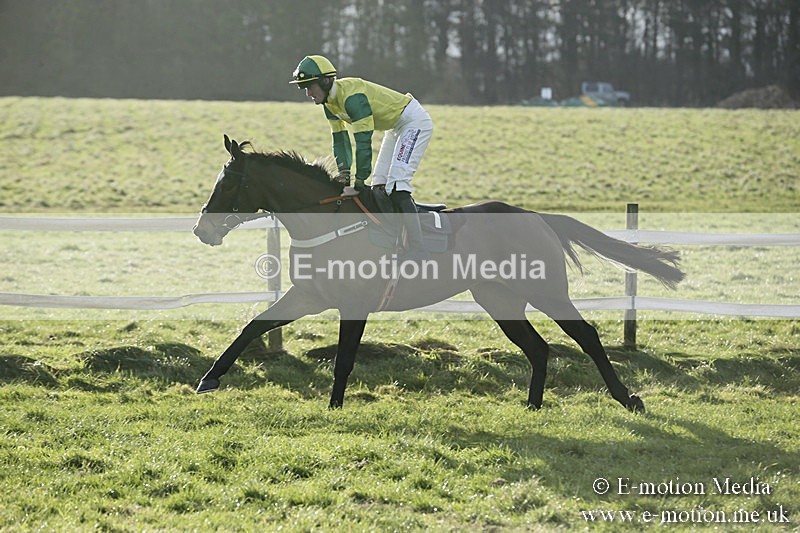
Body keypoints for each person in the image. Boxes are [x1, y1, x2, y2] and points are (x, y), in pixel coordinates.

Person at [290, 54, 433, 261]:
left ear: (325, 81)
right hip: (394, 128)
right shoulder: (329, 104)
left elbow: (363, 143)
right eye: (303, 88)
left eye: (310, 86)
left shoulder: (352, 98)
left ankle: (419, 250)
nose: (308, 93)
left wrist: (358, 182)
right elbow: (340, 142)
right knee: (379, 186)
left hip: (412, 121)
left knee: (397, 185)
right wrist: (344, 177)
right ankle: (395, 239)